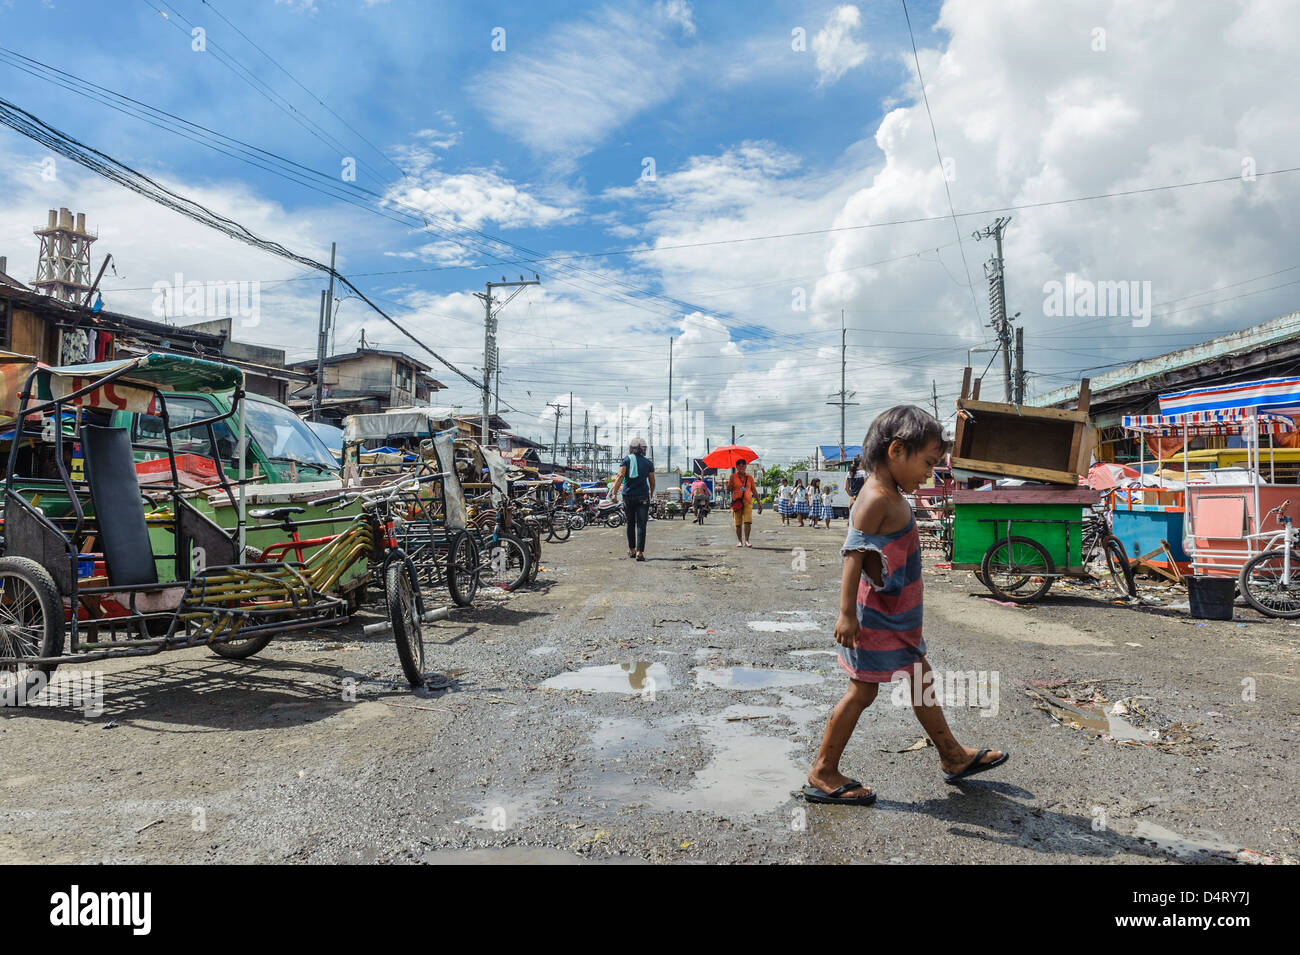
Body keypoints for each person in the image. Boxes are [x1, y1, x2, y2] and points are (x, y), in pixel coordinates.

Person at [803, 405, 1008, 805]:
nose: (929, 475)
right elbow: (853, 554)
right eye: (928, 464)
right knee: (862, 693)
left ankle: (952, 755)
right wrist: (846, 613)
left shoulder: (889, 493)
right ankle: (823, 771)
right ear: (897, 451)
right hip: (876, 619)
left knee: (920, 680)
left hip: (897, 617)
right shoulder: (876, 498)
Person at [608, 437, 655, 561]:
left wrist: (613, 493)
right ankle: (640, 552)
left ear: (631, 448)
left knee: (630, 523)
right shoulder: (648, 463)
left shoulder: (627, 460)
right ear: (644, 449)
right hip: (643, 496)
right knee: (641, 524)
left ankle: (632, 550)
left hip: (628, 496)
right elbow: (652, 480)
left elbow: (619, 477)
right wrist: (651, 493)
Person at [728, 458, 758, 547]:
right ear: (736, 467)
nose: (741, 467)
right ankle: (740, 541)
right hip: (737, 503)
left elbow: (754, 490)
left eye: (743, 466)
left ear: (745, 466)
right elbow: (729, 490)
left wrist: (759, 502)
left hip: (748, 501)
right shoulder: (732, 477)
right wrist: (730, 483)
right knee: (738, 523)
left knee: (748, 522)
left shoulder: (749, 478)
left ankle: (747, 541)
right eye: (739, 466)